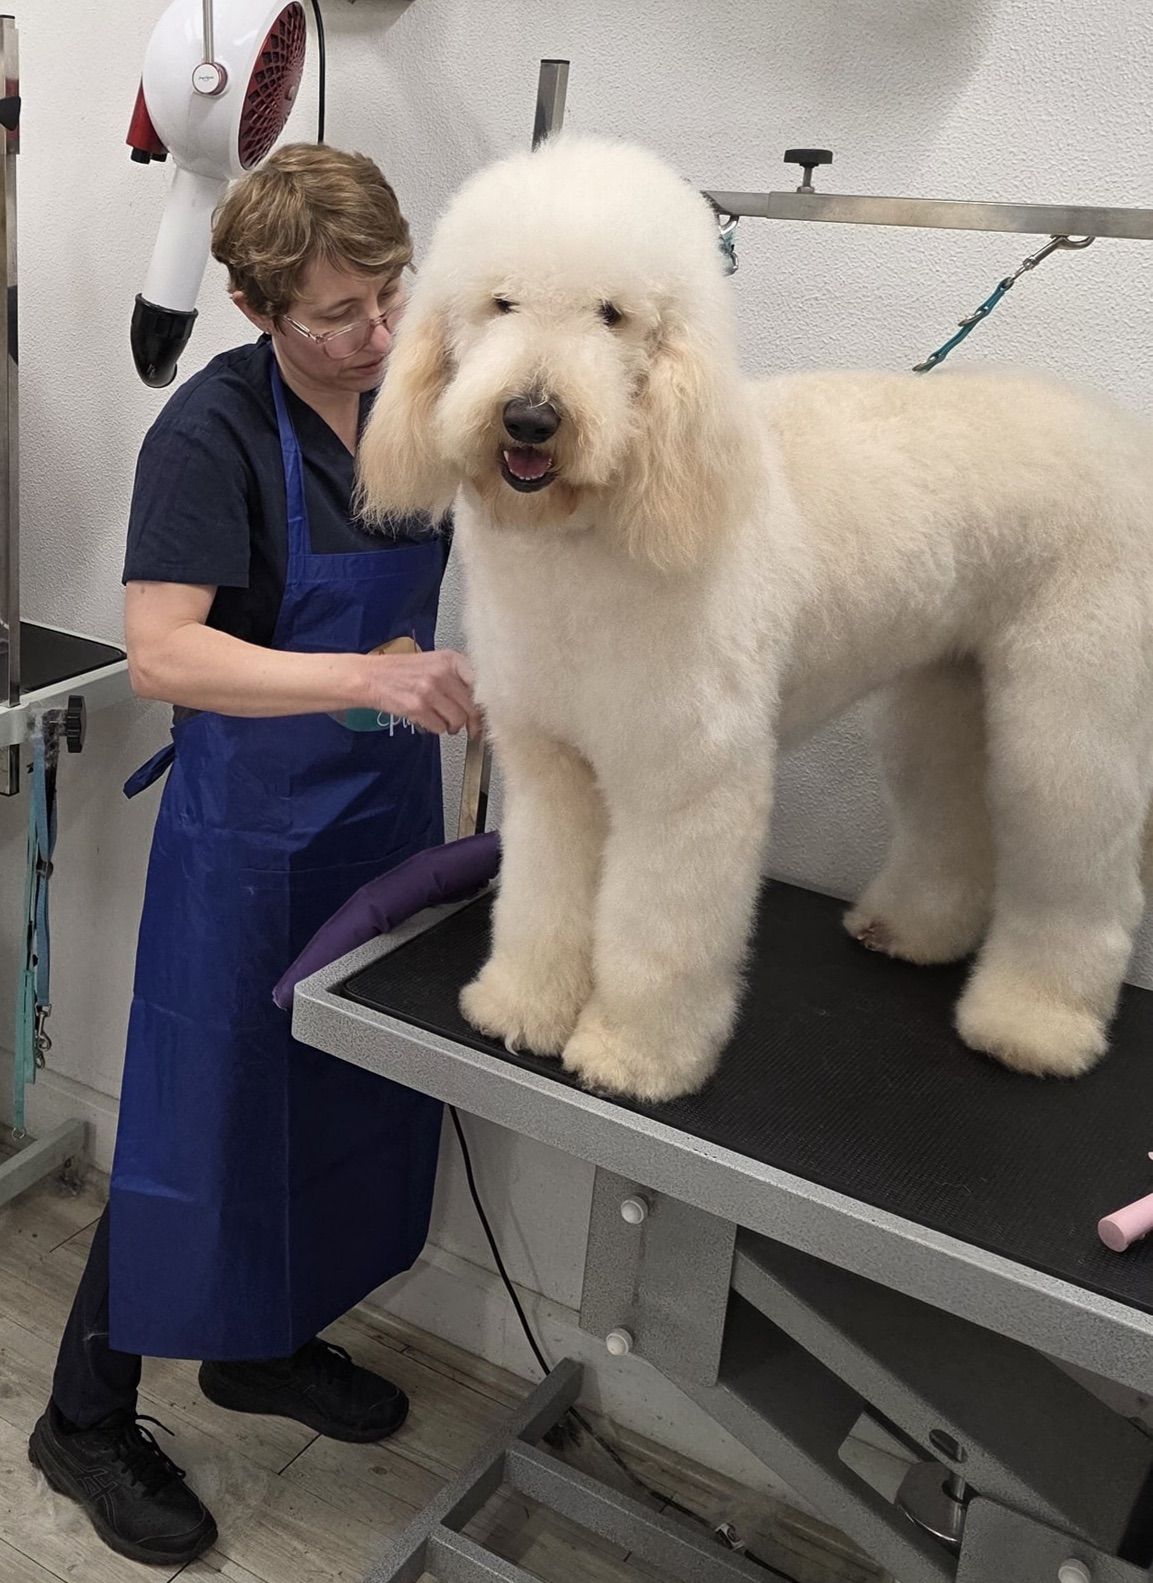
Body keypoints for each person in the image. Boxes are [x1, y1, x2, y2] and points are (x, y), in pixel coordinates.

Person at [28, 144, 479, 1568]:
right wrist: (368, 676)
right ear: (251, 309)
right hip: (249, 843)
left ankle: (262, 1344)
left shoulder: (415, 395)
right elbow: (164, 653)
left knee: (341, 1102)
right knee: (200, 1126)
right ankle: (83, 1420)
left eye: (390, 293)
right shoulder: (209, 434)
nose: (376, 336)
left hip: (382, 821)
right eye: (335, 315)